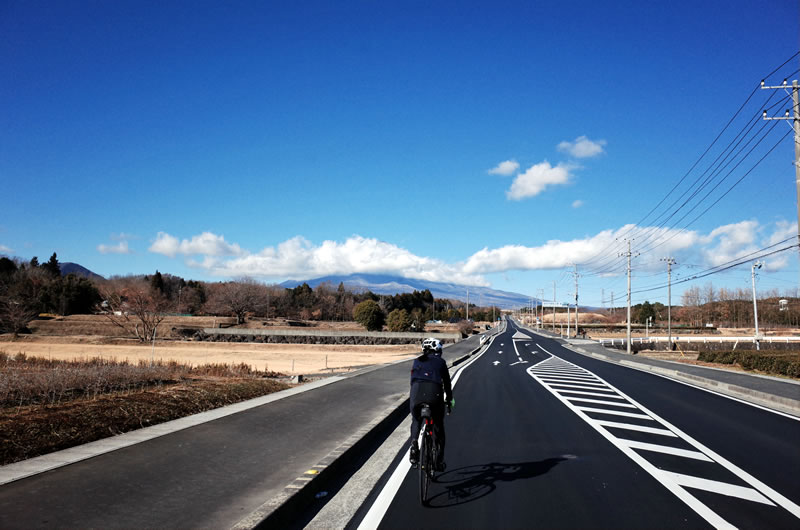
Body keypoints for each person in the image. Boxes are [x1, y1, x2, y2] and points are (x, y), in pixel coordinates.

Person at [409, 337, 453, 471]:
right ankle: (439, 460)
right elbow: (447, 383)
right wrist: (449, 401)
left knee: (416, 420)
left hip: (416, 393)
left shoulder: (417, 361)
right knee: (439, 425)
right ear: (438, 350)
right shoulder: (441, 362)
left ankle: (414, 442)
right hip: (434, 394)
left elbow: (412, 381)